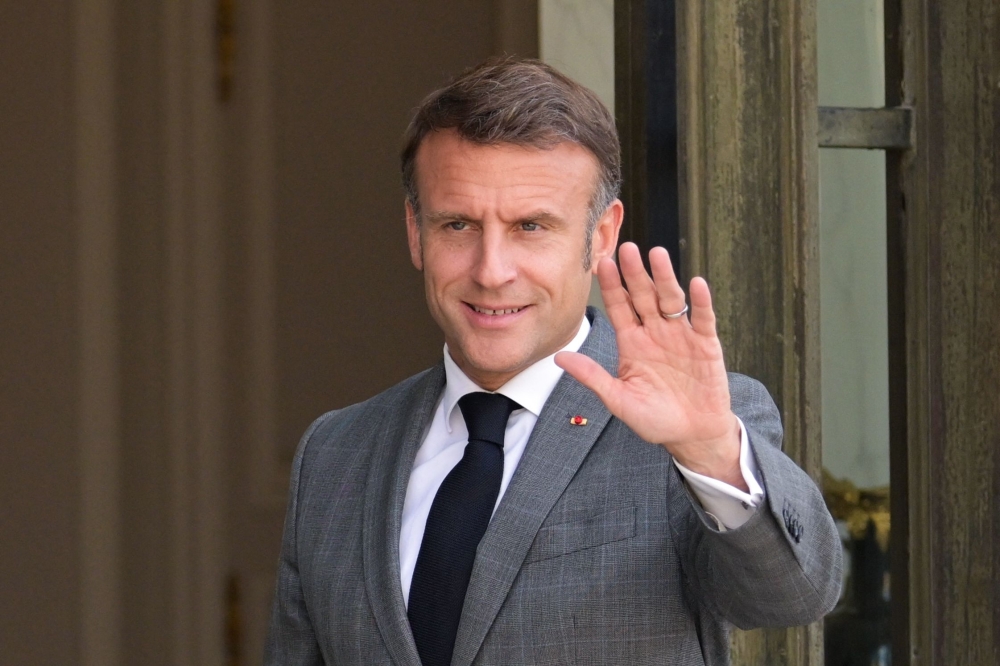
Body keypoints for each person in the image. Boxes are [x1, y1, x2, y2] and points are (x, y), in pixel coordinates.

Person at [265, 58, 841, 666]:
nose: (491, 271)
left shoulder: (694, 430)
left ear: (599, 235)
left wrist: (711, 453)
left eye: (530, 226)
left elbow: (791, 598)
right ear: (415, 231)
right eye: (457, 224)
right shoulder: (334, 456)